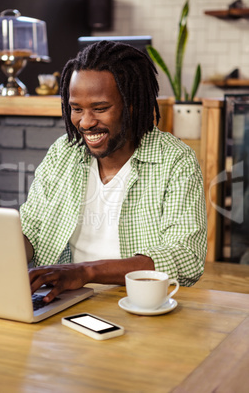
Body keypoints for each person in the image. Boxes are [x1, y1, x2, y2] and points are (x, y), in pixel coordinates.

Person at [20, 40, 207, 303]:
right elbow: (33, 230)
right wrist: (3, 244)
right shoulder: (63, 152)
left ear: (133, 104)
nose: (85, 122)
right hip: (61, 300)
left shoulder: (174, 160)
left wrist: (86, 271)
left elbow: (186, 258)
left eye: (100, 108)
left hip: (135, 304)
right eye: (76, 109)